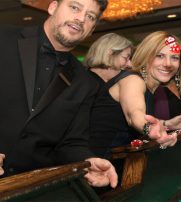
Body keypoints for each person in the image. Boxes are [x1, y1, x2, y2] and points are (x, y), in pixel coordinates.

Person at [0, 0, 118, 188]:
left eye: (90, 17)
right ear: (53, 7)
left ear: (92, 28)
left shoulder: (86, 82)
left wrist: (87, 161)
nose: (80, 18)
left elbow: (71, 143)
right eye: (74, 7)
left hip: (32, 189)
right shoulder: (3, 38)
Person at [84, 33, 136, 159]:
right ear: (109, 53)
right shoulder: (83, 83)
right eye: (126, 58)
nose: (129, 64)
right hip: (90, 159)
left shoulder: (115, 84)